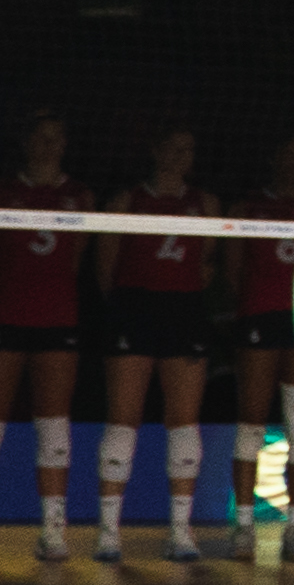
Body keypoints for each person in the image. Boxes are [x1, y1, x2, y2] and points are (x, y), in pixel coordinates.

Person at [0, 109, 89, 564]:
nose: (49, 146)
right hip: (5, 315)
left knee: (53, 425)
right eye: (42, 137)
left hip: (58, 319)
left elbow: (75, 261)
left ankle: (53, 530)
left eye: (57, 137)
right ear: (26, 142)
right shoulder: (0, 193)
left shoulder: (79, 196)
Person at [92, 127, 225, 561]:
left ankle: (181, 531)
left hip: (183, 310)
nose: (180, 155)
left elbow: (207, 265)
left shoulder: (205, 203)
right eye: (172, 147)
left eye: (188, 149)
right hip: (134, 306)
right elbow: (106, 266)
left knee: (183, 420)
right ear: (155, 150)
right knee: (123, 418)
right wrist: (125, 308)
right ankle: (108, 532)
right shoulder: (126, 200)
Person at [233, 136, 294, 544]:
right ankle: (244, 525)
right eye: (288, 154)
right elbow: (234, 271)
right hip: (260, 318)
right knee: (252, 421)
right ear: (274, 160)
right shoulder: (249, 207)